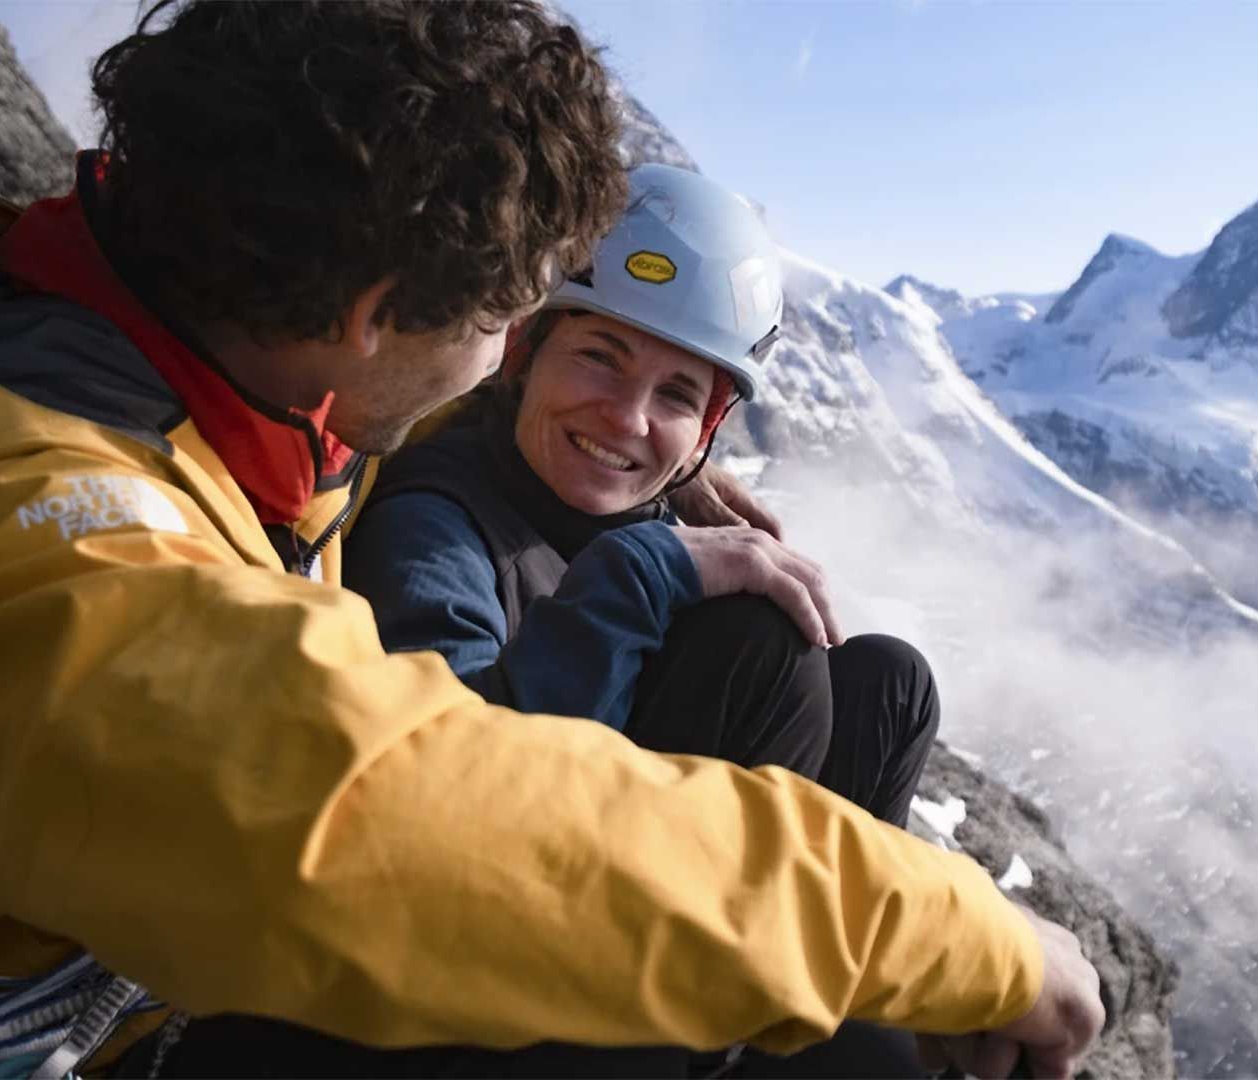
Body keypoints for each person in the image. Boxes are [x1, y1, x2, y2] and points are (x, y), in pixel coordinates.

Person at [0, 2, 1103, 1078]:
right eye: (508, 324)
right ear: (374, 314)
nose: (499, 364)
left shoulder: (154, 332)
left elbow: (407, 388)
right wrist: (965, 935)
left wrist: (658, 471)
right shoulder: (49, 556)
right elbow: (454, 833)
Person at [342, 166, 944, 1075]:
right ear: (522, 351)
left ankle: (831, 976)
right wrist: (645, 569)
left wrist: (660, 511)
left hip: (635, 914)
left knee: (888, 683)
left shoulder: (631, 507)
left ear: (707, 432)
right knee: (760, 650)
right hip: (496, 982)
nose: (626, 418)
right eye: (599, 356)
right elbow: (449, 810)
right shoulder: (437, 522)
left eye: (675, 396)